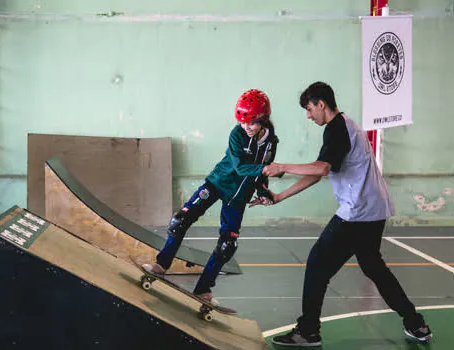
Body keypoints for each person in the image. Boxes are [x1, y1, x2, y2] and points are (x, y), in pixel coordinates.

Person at [254, 82, 432, 346]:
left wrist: (282, 166)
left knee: (317, 264)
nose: (308, 115)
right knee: (374, 267)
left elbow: (322, 168)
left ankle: (308, 331)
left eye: (309, 108)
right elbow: (318, 171)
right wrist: (280, 196)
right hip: (374, 209)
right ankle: (416, 324)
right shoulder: (344, 126)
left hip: (358, 213)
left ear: (321, 104)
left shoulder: (337, 128)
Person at [143, 89, 279, 305]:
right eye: (243, 122)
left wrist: (263, 192)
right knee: (180, 221)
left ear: (263, 119)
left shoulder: (272, 142)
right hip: (217, 184)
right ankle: (162, 264)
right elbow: (241, 167)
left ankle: (203, 289)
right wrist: (268, 170)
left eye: (251, 123)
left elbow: (263, 175)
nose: (246, 127)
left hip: (239, 198)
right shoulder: (237, 134)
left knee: (228, 245)